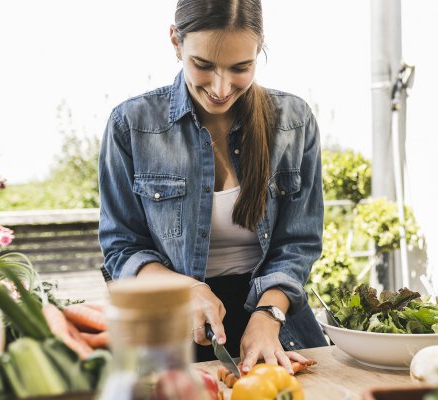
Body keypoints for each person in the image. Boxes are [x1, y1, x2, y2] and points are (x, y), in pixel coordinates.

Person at [98, 0, 327, 373]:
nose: (221, 88)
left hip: (277, 328)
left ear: (259, 50)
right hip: (168, 335)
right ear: (176, 42)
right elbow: (122, 249)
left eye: (241, 67)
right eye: (203, 65)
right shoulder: (131, 125)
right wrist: (188, 288)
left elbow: (298, 242)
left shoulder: (293, 121)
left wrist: (268, 313)